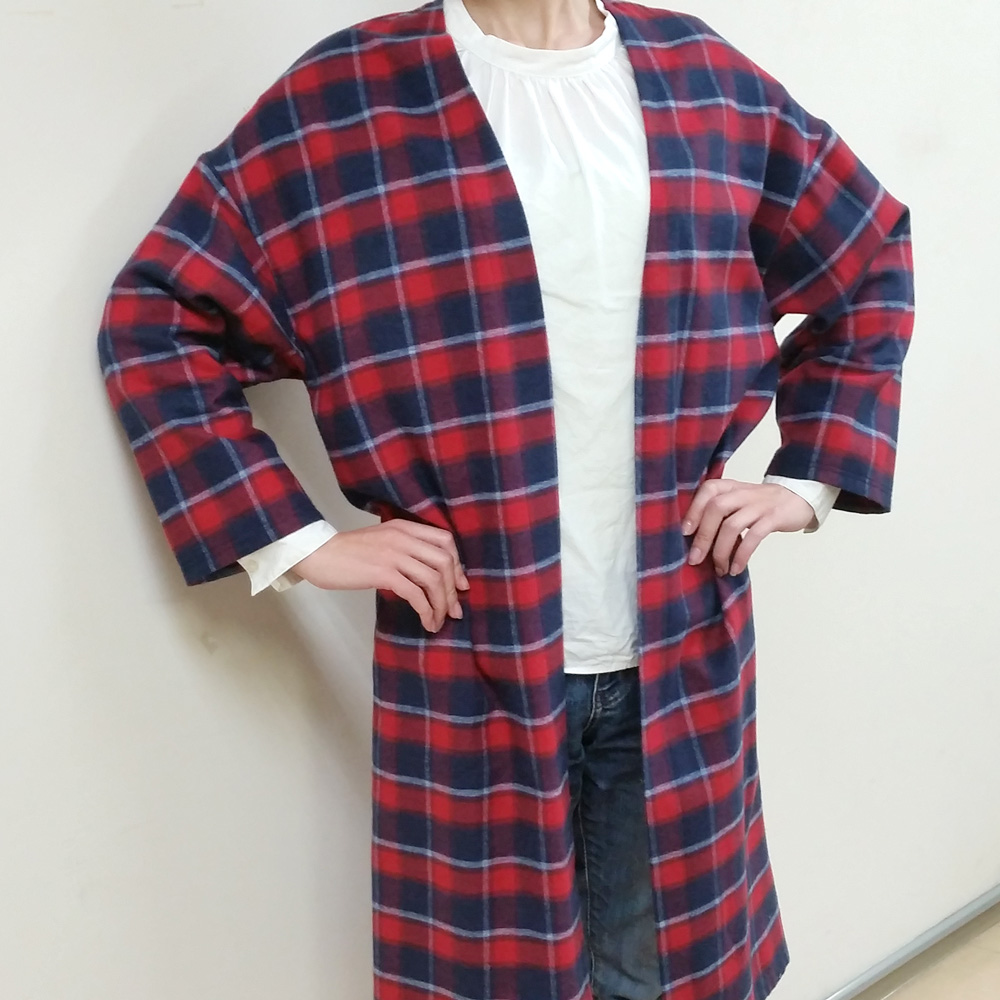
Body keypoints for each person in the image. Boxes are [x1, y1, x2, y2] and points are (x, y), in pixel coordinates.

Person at [96, 1, 915, 998]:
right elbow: (158, 317)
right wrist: (298, 540)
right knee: (491, 976)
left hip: (676, 631)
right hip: (467, 642)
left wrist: (803, 481)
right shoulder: (345, 97)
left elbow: (867, 257)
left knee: (664, 973)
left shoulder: (704, 78)